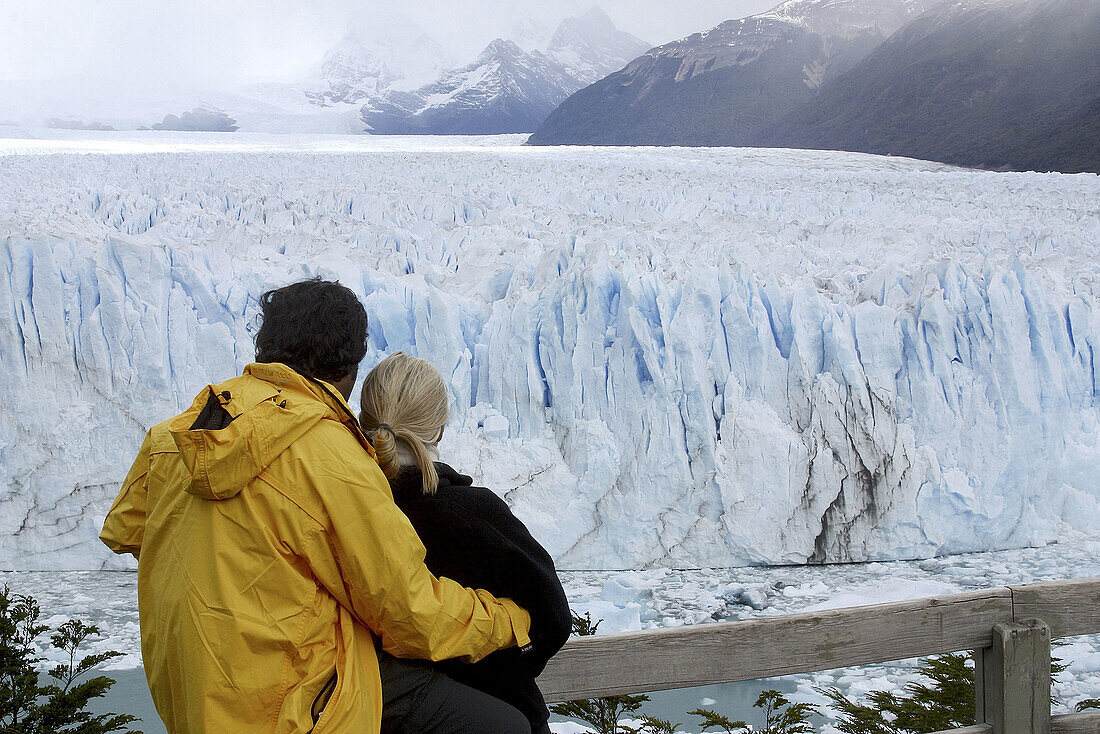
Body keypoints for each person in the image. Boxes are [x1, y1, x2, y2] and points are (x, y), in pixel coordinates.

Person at [99, 279, 533, 734]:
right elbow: (409, 613)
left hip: (195, 699)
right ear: (347, 370)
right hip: (299, 711)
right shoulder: (330, 454)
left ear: (265, 348)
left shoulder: (175, 434)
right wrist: (511, 619)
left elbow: (126, 530)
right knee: (505, 726)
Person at [359, 352, 572, 734]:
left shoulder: (349, 515)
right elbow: (553, 617)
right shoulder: (473, 512)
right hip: (504, 711)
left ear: (364, 424)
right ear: (439, 430)